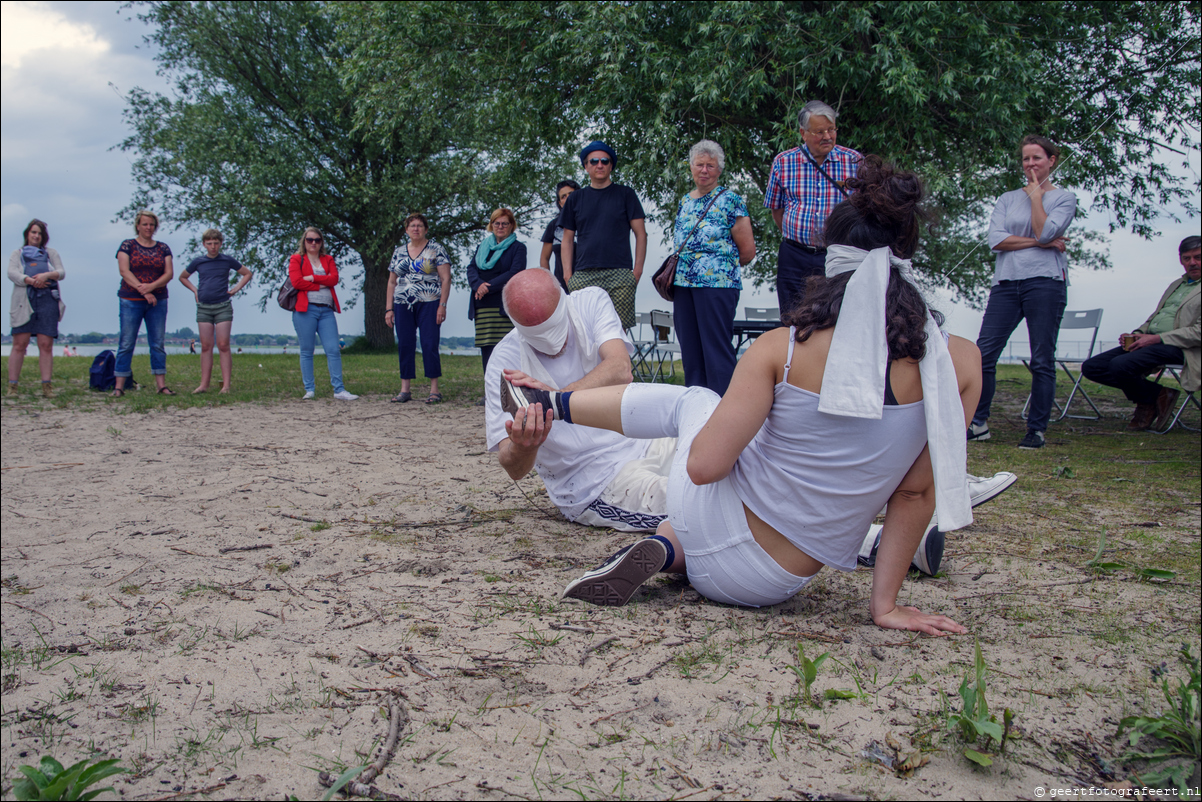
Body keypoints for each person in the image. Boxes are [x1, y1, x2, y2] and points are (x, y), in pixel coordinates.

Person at [504, 158, 981, 637]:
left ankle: (551, 406)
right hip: (776, 582)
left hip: (717, 537)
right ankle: (667, 549)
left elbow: (703, 468)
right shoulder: (956, 365)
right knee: (708, 483)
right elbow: (916, 492)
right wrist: (886, 607)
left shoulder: (784, 348)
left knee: (693, 402)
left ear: (829, 260)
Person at [969, 135, 1077, 450]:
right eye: (1026, 159)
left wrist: (1035, 198)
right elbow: (996, 240)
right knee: (984, 352)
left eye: (1037, 158)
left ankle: (1036, 429)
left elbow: (1046, 229)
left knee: (1042, 358)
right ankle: (978, 423)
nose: (1030, 164)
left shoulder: (1064, 198)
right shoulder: (1005, 198)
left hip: (1045, 281)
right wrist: (1039, 241)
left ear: (1051, 160)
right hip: (1006, 281)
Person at [1082, 236, 1200, 430]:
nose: (1192, 263)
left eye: (1198, 257)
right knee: (1093, 367)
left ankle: (1147, 404)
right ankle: (1156, 395)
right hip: (1154, 342)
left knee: (1121, 365)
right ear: (1181, 260)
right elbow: (1156, 317)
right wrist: (1138, 333)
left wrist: (1157, 338)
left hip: (1184, 347)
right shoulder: (1177, 285)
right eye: (1187, 258)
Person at [672, 139, 756, 394]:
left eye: (711, 165)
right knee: (690, 348)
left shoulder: (731, 200)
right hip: (683, 285)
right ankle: (696, 403)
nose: (705, 170)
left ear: (719, 170)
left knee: (716, 348)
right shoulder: (685, 200)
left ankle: (725, 406)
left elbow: (748, 250)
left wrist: (716, 264)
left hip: (717, 285)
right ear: (691, 167)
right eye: (700, 165)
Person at [764, 100, 861, 314]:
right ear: (803, 133)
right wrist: (799, 237)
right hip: (794, 254)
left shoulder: (854, 162)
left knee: (836, 316)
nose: (827, 136)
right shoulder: (783, 162)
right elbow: (776, 209)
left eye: (831, 129)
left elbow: (863, 212)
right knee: (792, 317)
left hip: (838, 253)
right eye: (819, 132)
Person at [559, 141, 647, 329]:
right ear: (586, 166)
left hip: (620, 274)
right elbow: (567, 239)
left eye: (605, 161)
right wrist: (568, 275)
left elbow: (641, 234)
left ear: (611, 165)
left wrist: (636, 272)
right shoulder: (575, 198)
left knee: (618, 334)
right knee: (583, 333)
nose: (600, 165)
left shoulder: (626, 194)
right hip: (583, 274)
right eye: (594, 161)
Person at [385, 213, 452, 404]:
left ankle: (434, 390)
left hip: (429, 302)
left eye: (420, 226)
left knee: (429, 343)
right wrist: (388, 309)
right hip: (402, 303)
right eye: (412, 226)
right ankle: (405, 389)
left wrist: (442, 305)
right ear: (406, 230)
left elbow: (445, 278)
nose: (416, 229)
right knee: (405, 344)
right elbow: (391, 281)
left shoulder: (436, 249)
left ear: (426, 229)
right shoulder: (398, 252)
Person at [179, 228, 252, 394]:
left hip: (223, 306)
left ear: (220, 244)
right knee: (206, 345)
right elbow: (183, 277)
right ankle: (204, 385)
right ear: (204, 244)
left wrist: (235, 289)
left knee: (223, 344)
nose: (213, 246)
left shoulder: (227, 260)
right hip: (204, 306)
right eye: (209, 243)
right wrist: (195, 290)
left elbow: (247, 273)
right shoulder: (198, 262)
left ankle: (226, 386)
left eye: (216, 243)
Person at [288, 226, 357, 400]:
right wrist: (321, 284)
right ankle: (309, 389)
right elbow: (296, 282)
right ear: (304, 241)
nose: (313, 243)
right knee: (307, 350)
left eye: (317, 240)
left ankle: (339, 389)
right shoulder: (297, 259)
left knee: (333, 349)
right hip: (306, 310)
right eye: (310, 240)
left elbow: (334, 279)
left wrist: (312, 278)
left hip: (326, 310)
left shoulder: (328, 259)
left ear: (321, 243)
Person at [114, 211, 174, 397]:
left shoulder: (163, 248)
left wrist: (152, 288)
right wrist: (144, 291)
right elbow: (124, 271)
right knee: (126, 342)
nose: (148, 228)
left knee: (157, 343)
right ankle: (119, 387)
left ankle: (161, 386)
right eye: (145, 224)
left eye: (151, 225)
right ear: (138, 226)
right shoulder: (127, 245)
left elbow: (168, 273)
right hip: (131, 300)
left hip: (158, 300)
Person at [7, 219, 65, 397]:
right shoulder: (17, 253)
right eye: (33, 232)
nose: (36, 236)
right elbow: (12, 273)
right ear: (27, 234)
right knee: (20, 344)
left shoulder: (51, 253)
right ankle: (12, 387)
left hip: (47, 300)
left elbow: (61, 272)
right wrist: (30, 280)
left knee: (46, 344)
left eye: (39, 233)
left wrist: (46, 275)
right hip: (24, 301)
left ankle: (47, 387)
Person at [468, 208, 527, 382]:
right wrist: (478, 285)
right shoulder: (482, 247)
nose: (500, 226)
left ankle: (509, 390)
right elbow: (471, 269)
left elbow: (515, 272)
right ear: (491, 225)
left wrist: (489, 286)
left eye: (504, 223)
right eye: (497, 223)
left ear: (511, 226)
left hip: (504, 308)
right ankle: (489, 390)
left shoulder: (518, 248)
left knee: (506, 350)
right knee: (487, 351)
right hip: (482, 308)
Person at [540, 180, 579, 292]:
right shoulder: (554, 225)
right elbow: (544, 258)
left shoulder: (589, 223)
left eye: (571, 194)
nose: (567, 198)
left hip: (588, 284)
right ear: (560, 202)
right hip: (561, 287)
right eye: (563, 196)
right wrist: (550, 283)